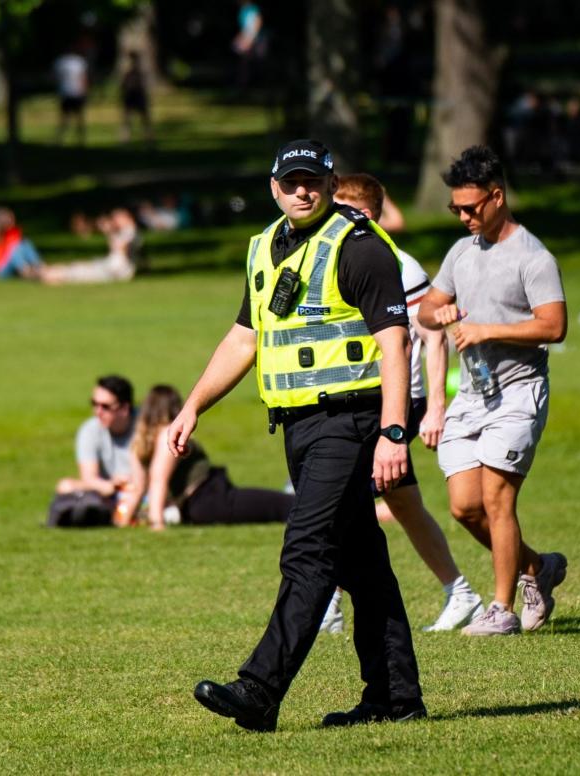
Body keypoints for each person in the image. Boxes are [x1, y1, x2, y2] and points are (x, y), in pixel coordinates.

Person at [170, 139, 424, 732]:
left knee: (307, 551)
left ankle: (260, 689)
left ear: (332, 185)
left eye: (313, 180)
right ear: (274, 187)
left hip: (351, 421)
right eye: (292, 182)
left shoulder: (358, 246)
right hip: (298, 426)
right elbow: (243, 339)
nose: (303, 190)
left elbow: (395, 345)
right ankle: (394, 697)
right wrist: (193, 406)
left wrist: (393, 432)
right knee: (362, 564)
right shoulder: (264, 247)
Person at [417, 145, 569, 637]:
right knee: (465, 506)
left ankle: (501, 608)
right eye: (455, 208)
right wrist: (436, 315)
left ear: (497, 197)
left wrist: (487, 331)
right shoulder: (462, 252)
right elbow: (426, 309)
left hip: (519, 393)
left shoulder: (533, 257)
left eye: (470, 207)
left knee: (498, 500)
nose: (462, 216)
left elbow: (555, 325)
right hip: (474, 398)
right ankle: (537, 568)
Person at [323, 172, 482, 634]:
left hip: (397, 404)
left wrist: (435, 408)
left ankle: (326, 605)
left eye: (342, 210)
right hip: (366, 400)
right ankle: (460, 591)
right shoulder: (351, 257)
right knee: (404, 503)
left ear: (366, 214)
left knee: (334, 500)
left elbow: (434, 339)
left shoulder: (400, 267)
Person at [116, 385, 293, 530]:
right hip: (210, 498)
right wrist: (157, 523)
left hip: (199, 505)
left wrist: (124, 522)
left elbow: (139, 488)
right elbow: (158, 480)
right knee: (279, 506)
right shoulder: (166, 433)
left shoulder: (140, 441)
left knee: (276, 506)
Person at [54, 376, 137, 515]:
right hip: (109, 492)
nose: (98, 412)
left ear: (124, 408)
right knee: (65, 486)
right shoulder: (89, 430)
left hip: (142, 490)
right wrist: (112, 485)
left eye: (105, 407)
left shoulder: (144, 426)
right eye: (94, 404)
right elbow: (88, 477)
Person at [41, 208, 140, 285]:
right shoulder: (123, 232)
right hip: (110, 267)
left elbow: (122, 249)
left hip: (115, 270)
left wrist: (110, 233)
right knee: (78, 267)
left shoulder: (129, 232)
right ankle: (46, 272)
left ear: (127, 218)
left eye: (117, 218)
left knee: (76, 271)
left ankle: (49, 274)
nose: (114, 221)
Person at [0, 207, 45, 282]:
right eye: (10, 219)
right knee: (14, 250)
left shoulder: (14, 232)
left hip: (14, 264)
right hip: (1, 269)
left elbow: (21, 250)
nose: (13, 221)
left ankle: (39, 267)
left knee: (25, 243)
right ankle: (29, 271)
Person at [54, 46, 89, 145]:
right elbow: (84, 78)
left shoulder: (61, 61)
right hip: (74, 92)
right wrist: (84, 91)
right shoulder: (78, 61)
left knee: (67, 118)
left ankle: (65, 139)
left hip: (67, 92)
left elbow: (56, 78)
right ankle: (79, 139)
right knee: (75, 118)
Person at [119, 51, 152, 146]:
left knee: (144, 119)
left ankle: (148, 138)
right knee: (127, 119)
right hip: (130, 96)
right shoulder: (128, 73)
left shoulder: (139, 72)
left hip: (138, 95)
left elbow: (143, 86)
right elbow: (123, 86)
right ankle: (125, 139)